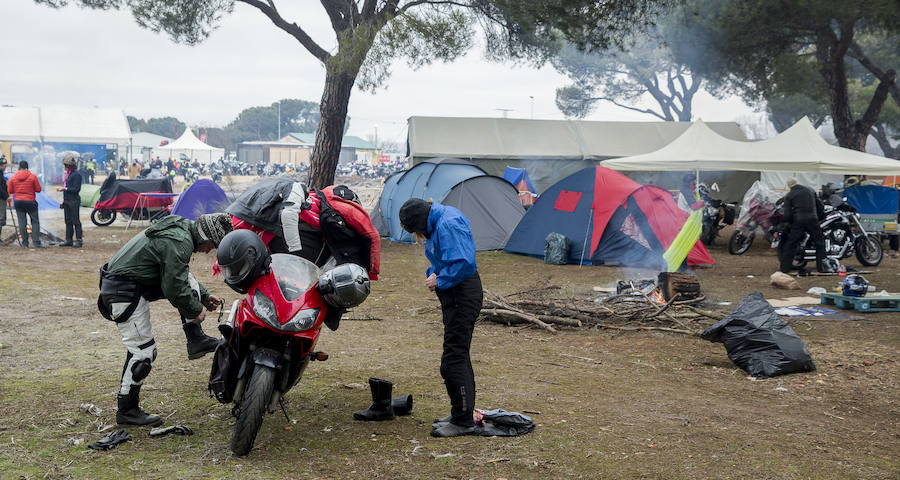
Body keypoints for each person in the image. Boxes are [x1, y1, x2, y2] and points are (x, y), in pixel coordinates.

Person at [97, 213, 232, 426]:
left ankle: (196, 340)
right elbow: (173, 287)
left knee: (189, 280)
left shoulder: (184, 229)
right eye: (212, 245)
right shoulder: (180, 241)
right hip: (122, 289)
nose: (210, 250)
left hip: (132, 283)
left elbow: (179, 274)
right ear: (206, 236)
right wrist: (196, 309)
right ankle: (127, 410)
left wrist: (204, 296)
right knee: (143, 354)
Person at [399, 198, 484, 438]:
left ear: (422, 222)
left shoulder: (448, 223)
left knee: (453, 359)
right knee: (457, 354)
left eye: (416, 231)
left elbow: (463, 263)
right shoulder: (439, 220)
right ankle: (461, 413)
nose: (418, 236)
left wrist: (440, 279)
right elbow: (443, 257)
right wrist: (435, 273)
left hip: (462, 293)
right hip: (455, 294)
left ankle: (463, 420)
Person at [780, 178, 827, 274]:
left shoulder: (789, 195)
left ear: (789, 186)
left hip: (799, 221)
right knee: (820, 243)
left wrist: (791, 223)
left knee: (791, 244)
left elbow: (787, 214)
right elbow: (820, 206)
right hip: (813, 220)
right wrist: (820, 216)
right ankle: (821, 267)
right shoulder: (809, 190)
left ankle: (785, 268)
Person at [7, 160, 43, 248]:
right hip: (30, 202)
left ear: (19, 167)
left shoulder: (13, 177)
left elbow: (10, 191)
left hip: (19, 202)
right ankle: (36, 242)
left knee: (22, 222)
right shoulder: (33, 177)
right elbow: (38, 189)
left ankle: (25, 243)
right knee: (34, 222)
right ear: (27, 167)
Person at [55, 155, 84, 247]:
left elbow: (76, 189)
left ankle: (79, 240)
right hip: (67, 200)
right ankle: (68, 240)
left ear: (68, 166)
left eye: (65, 165)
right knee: (68, 221)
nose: (64, 167)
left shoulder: (76, 175)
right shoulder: (69, 174)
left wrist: (65, 189)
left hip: (74, 201)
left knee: (76, 220)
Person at [0, 155, 8, 243]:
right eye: (3, 166)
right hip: (1, 198)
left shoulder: (1, 173)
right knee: (1, 218)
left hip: (2, 197)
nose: (5, 167)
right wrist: (6, 196)